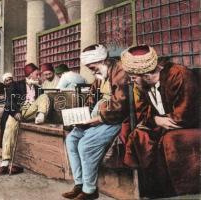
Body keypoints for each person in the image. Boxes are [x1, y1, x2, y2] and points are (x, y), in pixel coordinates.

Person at [121, 45, 199, 196]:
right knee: (138, 135)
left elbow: (185, 113)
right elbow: (142, 114)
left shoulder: (178, 75)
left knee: (168, 139)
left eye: (133, 78)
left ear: (145, 74)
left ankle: (179, 192)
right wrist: (156, 120)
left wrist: (161, 121)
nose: (132, 82)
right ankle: (152, 191)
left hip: (189, 124)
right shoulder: (143, 86)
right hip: (165, 124)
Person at [62, 44, 129, 200]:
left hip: (114, 118)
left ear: (103, 60)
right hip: (97, 116)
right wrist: (80, 117)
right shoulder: (101, 74)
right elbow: (92, 98)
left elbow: (121, 106)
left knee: (86, 145)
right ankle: (79, 184)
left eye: (92, 67)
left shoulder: (120, 71)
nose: (92, 72)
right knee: (71, 139)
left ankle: (90, 190)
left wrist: (97, 119)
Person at [0, 63, 50, 175]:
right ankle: (5, 162)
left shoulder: (38, 88)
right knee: (9, 128)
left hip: (31, 112)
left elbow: (42, 101)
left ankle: (41, 116)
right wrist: (15, 112)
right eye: (37, 74)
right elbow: (9, 101)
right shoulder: (16, 85)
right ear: (30, 75)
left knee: (44, 97)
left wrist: (40, 110)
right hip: (17, 111)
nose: (39, 76)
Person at [0, 72, 14, 148]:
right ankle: (3, 144)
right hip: (8, 109)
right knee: (3, 123)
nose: (9, 82)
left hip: (15, 109)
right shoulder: (4, 89)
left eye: (10, 80)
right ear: (4, 82)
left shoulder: (16, 87)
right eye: (7, 81)